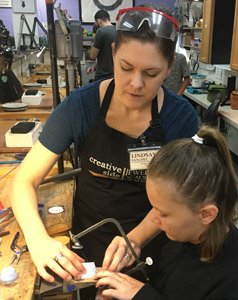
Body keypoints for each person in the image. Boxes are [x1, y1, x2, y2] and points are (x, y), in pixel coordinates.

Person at [10, 5, 199, 299]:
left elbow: (184, 199)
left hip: (154, 239)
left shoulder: (181, 119)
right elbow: (23, 181)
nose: (136, 84)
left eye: (151, 73)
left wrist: (135, 239)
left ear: (170, 68)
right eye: (126, 68)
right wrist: (38, 240)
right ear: (112, 53)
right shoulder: (81, 106)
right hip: (88, 241)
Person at [94, 125, 238, 300]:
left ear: (206, 214)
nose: (154, 219)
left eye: (163, 214)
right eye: (153, 208)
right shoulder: (184, 239)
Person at [87, 9, 116, 81]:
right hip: (114, 75)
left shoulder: (100, 31)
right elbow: (108, 56)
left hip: (102, 76)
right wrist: (94, 67)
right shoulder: (118, 31)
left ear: (98, 21)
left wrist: (93, 45)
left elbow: (92, 56)